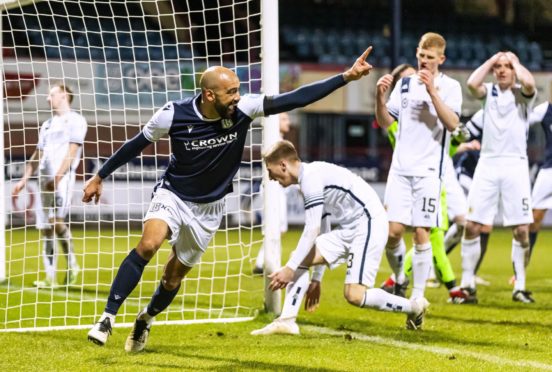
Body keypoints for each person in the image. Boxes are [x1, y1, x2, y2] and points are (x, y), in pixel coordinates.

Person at [84, 48, 374, 352]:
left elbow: (294, 98)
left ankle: (146, 318)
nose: (237, 96)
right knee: (149, 244)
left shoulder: (244, 109)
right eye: (231, 91)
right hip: (174, 194)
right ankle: (107, 318)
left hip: (209, 209)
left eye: (238, 90)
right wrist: (100, 175)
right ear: (210, 95)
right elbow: (135, 144)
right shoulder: (173, 114)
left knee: (172, 278)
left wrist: (345, 77)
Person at [263, 141, 430, 331]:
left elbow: (312, 229)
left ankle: (414, 307)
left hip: (369, 224)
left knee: (354, 295)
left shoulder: (311, 178)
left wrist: (289, 270)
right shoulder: (307, 180)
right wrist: (316, 278)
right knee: (300, 257)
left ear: (283, 165)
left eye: (270, 170)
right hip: (350, 228)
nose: (270, 177)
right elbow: (323, 226)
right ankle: (286, 322)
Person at [375, 32, 462, 302]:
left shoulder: (451, 87)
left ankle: (418, 298)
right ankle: (400, 278)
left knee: (422, 232)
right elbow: (385, 122)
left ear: (441, 59)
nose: (425, 61)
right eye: (421, 56)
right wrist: (379, 98)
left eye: (430, 58)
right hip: (400, 170)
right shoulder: (403, 85)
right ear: (417, 53)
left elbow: (452, 124)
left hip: (428, 173)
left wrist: (432, 92)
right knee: (392, 233)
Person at [450, 51, 537, 304]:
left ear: (514, 70)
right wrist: (491, 60)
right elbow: (471, 84)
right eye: (497, 67)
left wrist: (516, 61)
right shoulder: (489, 92)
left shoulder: (523, 95)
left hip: (515, 166)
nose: (501, 70)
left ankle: (519, 286)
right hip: (487, 165)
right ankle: (467, 285)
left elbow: (530, 83)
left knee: (521, 229)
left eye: (506, 67)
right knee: (473, 225)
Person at [12, 83, 87, 288]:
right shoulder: (47, 124)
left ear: (64, 96)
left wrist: (58, 177)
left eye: (51, 94)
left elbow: (72, 152)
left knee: (56, 221)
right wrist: (24, 179)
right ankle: (49, 276)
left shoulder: (76, 121)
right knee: (45, 228)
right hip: (44, 180)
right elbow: (38, 155)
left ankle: (72, 265)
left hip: (62, 179)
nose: (47, 98)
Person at [253, 112, 293, 274]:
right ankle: (265, 263)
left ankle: (262, 263)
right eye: (284, 119)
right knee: (275, 228)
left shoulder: (280, 140)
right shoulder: (274, 141)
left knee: (278, 228)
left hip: (278, 189)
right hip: (273, 188)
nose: (288, 122)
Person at [524, 101, 552, 270]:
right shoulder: (545, 109)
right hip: (550, 170)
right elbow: (521, 121)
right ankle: (521, 269)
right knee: (534, 218)